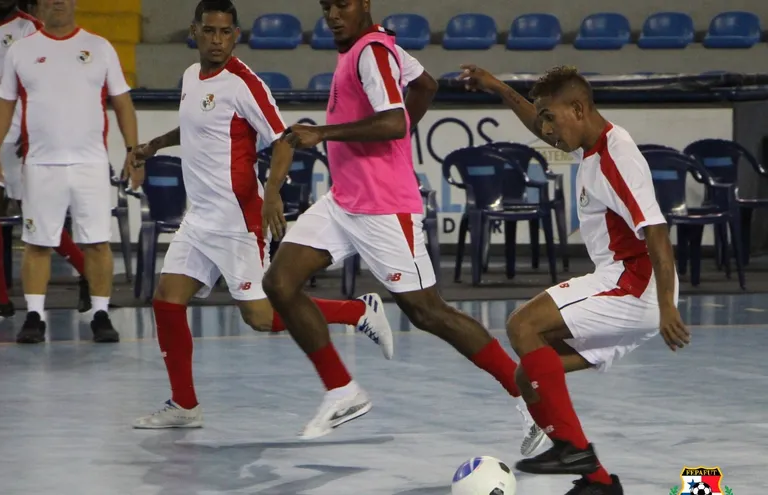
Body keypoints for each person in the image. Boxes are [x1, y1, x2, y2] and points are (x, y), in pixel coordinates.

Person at [260, 0, 545, 447]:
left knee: (428, 312)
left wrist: (325, 133)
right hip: (344, 200)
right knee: (279, 282)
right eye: (326, 6)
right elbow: (426, 86)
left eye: (343, 4)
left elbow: (394, 121)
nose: (333, 14)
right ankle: (342, 389)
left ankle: (528, 397)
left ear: (365, 4)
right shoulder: (375, 48)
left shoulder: (373, 52)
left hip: (384, 208)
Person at [130, 0, 394, 430]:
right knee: (166, 301)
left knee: (261, 317)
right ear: (194, 32)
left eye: (225, 32)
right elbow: (195, 124)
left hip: (238, 219)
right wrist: (155, 144)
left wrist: (272, 193)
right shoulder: (190, 78)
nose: (217, 40)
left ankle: (356, 312)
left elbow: (284, 139)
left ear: (236, 35)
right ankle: (184, 405)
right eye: (209, 31)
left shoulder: (244, 84)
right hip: (200, 219)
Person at [458, 64, 689, 495]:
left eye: (551, 116)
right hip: (622, 284)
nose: (545, 128)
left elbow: (655, 229)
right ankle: (599, 483)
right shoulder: (589, 145)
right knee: (531, 374)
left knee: (523, 325)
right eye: (543, 117)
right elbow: (541, 125)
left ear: (579, 109)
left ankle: (573, 448)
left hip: (634, 285)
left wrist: (667, 306)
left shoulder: (617, 155)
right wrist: (496, 87)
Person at [0, 0, 141, 343]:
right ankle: (34, 316)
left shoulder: (100, 48)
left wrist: (134, 153)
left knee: (98, 242)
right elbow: (5, 105)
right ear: (39, 6)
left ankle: (100, 313)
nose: (58, 2)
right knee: (37, 244)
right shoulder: (22, 51)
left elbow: (122, 104)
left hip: (91, 165)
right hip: (41, 166)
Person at [0, 0, 93, 321]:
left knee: (41, 218)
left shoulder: (30, 29)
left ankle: (91, 273)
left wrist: (36, 129)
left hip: (24, 136)